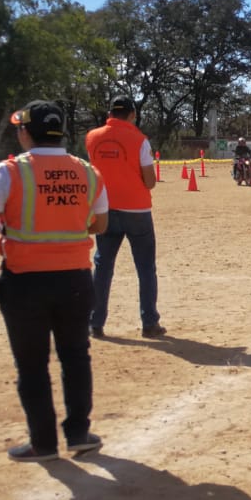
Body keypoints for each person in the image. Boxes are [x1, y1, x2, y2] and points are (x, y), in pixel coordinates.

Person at [0, 101, 109, 462]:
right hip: (76, 278)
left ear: (25, 132)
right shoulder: (88, 172)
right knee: (76, 357)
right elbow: (101, 225)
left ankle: (43, 443)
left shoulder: (8, 172)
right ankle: (79, 432)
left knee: (32, 365)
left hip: (25, 281)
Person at [85, 95, 164, 339]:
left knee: (103, 264)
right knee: (145, 268)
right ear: (132, 115)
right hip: (137, 210)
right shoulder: (140, 140)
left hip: (105, 209)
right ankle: (149, 322)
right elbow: (149, 181)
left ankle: (96, 322)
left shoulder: (92, 138)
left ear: (110, 113)